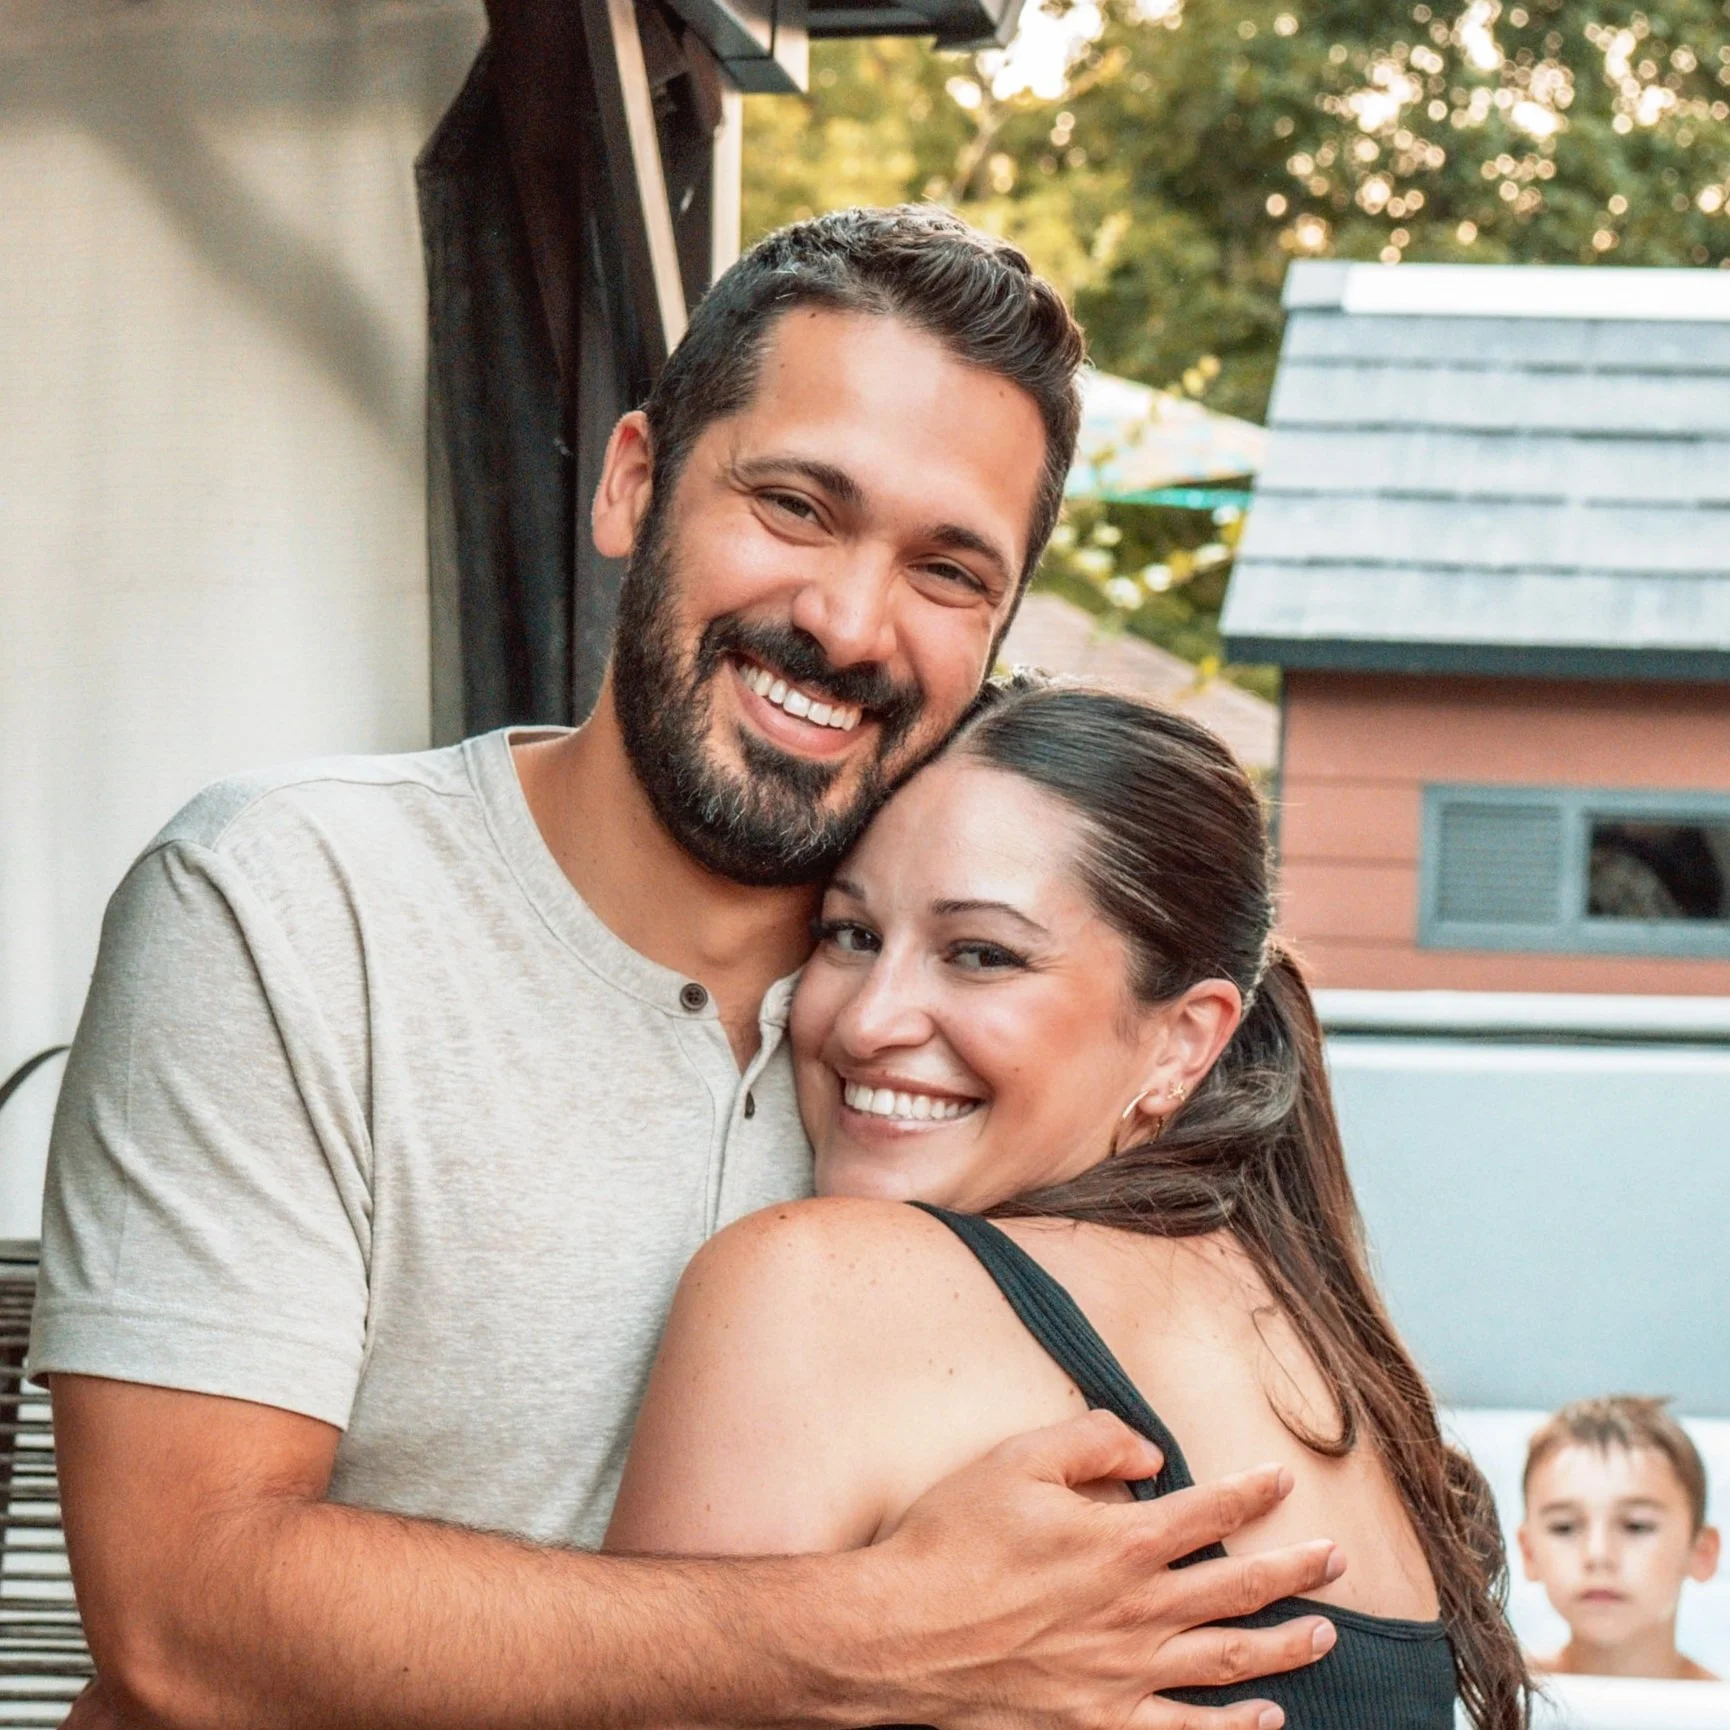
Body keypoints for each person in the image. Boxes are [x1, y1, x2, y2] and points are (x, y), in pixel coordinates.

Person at [33, 208, 1342, 1730]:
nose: (847, 621)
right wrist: (878, 1632)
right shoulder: (290, 899)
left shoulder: (966, 1051)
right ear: (634, 482)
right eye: (793, 504)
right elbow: (182, 1615)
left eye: (947, 571)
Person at [607, 680, 1532, 1730]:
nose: (865, 1022)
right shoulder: (1326, 1359)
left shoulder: (813, 1283)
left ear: (1183, 1038)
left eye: (981, 952)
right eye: (848, 932)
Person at [1520, 1395, 1721, 1681]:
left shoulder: (1716, 1712)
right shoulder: (1492, 1706)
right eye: (1564, 1527)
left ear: (1702, 1552)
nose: (1598, 1554)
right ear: (1528, 1553)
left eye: (1636, 1526)